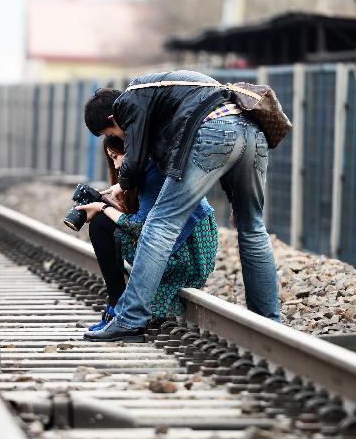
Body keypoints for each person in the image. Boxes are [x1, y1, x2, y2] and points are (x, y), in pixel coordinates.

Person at [82, 71, 281, 342]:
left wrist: (122, 183)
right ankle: (269, 325)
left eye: (110, 132)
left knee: (161, 224)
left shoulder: (128, 102)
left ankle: (129, 320)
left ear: (111, 118)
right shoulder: (167, 90)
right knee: (252, 227)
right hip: (250, 127)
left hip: (215, 129)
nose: (120, 137)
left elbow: (136, 160)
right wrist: (236, 197)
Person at [76, 137, 218, 341]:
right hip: (179, 247)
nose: (116, 165)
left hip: (187, 257)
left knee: (101, 224)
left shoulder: (154, 172)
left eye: (117, 157)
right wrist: (111, 203)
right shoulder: (151, 166)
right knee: (104, 222)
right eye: (112, 159)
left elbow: (140, 228)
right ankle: (117, 306)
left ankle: (118, 308)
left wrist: (102, 207)